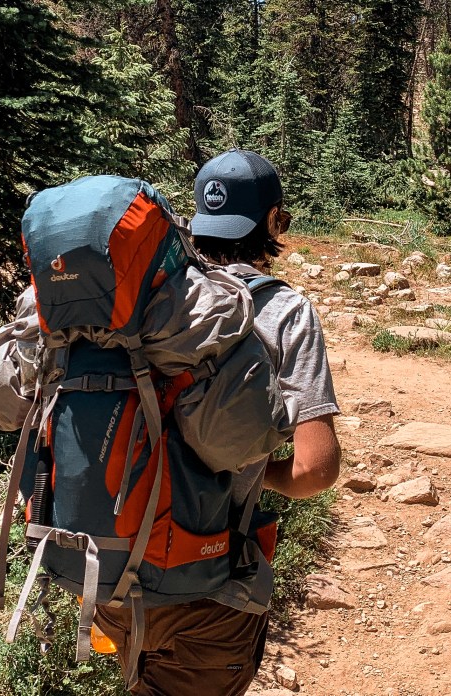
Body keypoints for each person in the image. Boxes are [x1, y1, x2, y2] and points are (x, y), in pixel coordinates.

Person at [91, 149, 342, 695]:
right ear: (274, 222)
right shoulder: (284, 311)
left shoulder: (149, 298)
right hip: (206, 586)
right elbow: (316, 471)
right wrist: (261, 471)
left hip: (108, 572)